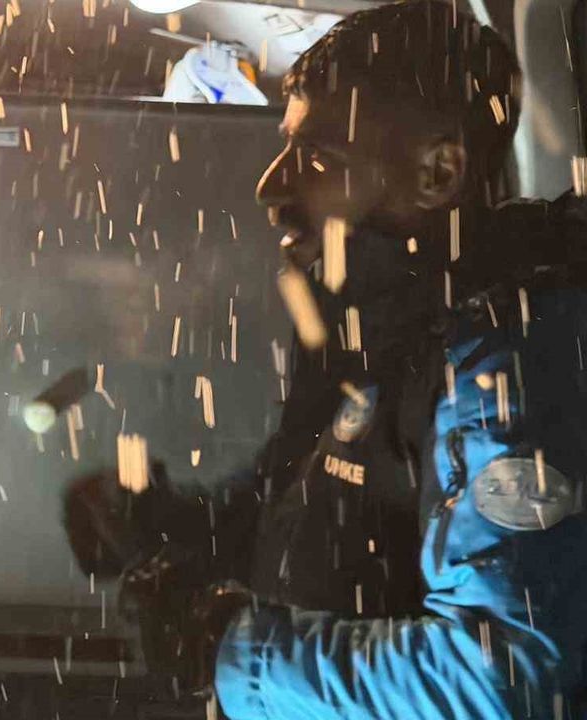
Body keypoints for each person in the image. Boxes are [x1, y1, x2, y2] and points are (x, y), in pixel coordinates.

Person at [69, 1, 587, 717]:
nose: (270, 187)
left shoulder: (508, 359)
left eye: (316, 159)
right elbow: (311, 511)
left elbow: (498, 680)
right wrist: (164, 527)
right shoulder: (393, 327)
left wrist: (233, 648)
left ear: (438, 173)